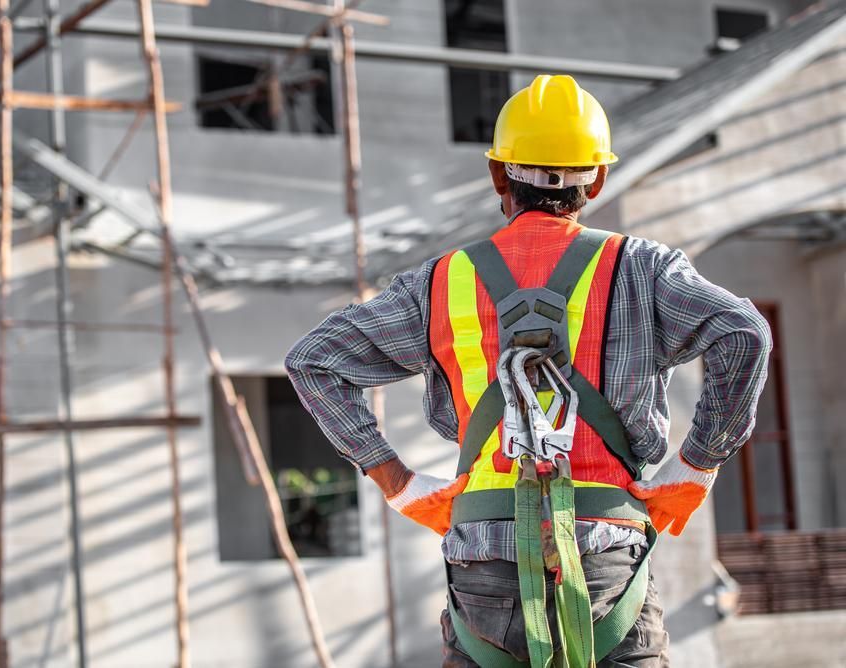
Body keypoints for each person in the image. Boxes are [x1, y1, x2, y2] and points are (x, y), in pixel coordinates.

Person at [285, 74, 771, 667]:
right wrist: (697, 464)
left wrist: (400, 485)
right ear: (598, 178)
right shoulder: (643, 269)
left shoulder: (441, 283)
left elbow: (314, 361)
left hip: (483, 562)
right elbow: (743, 333)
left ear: (498, 175)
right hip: (606, 557)